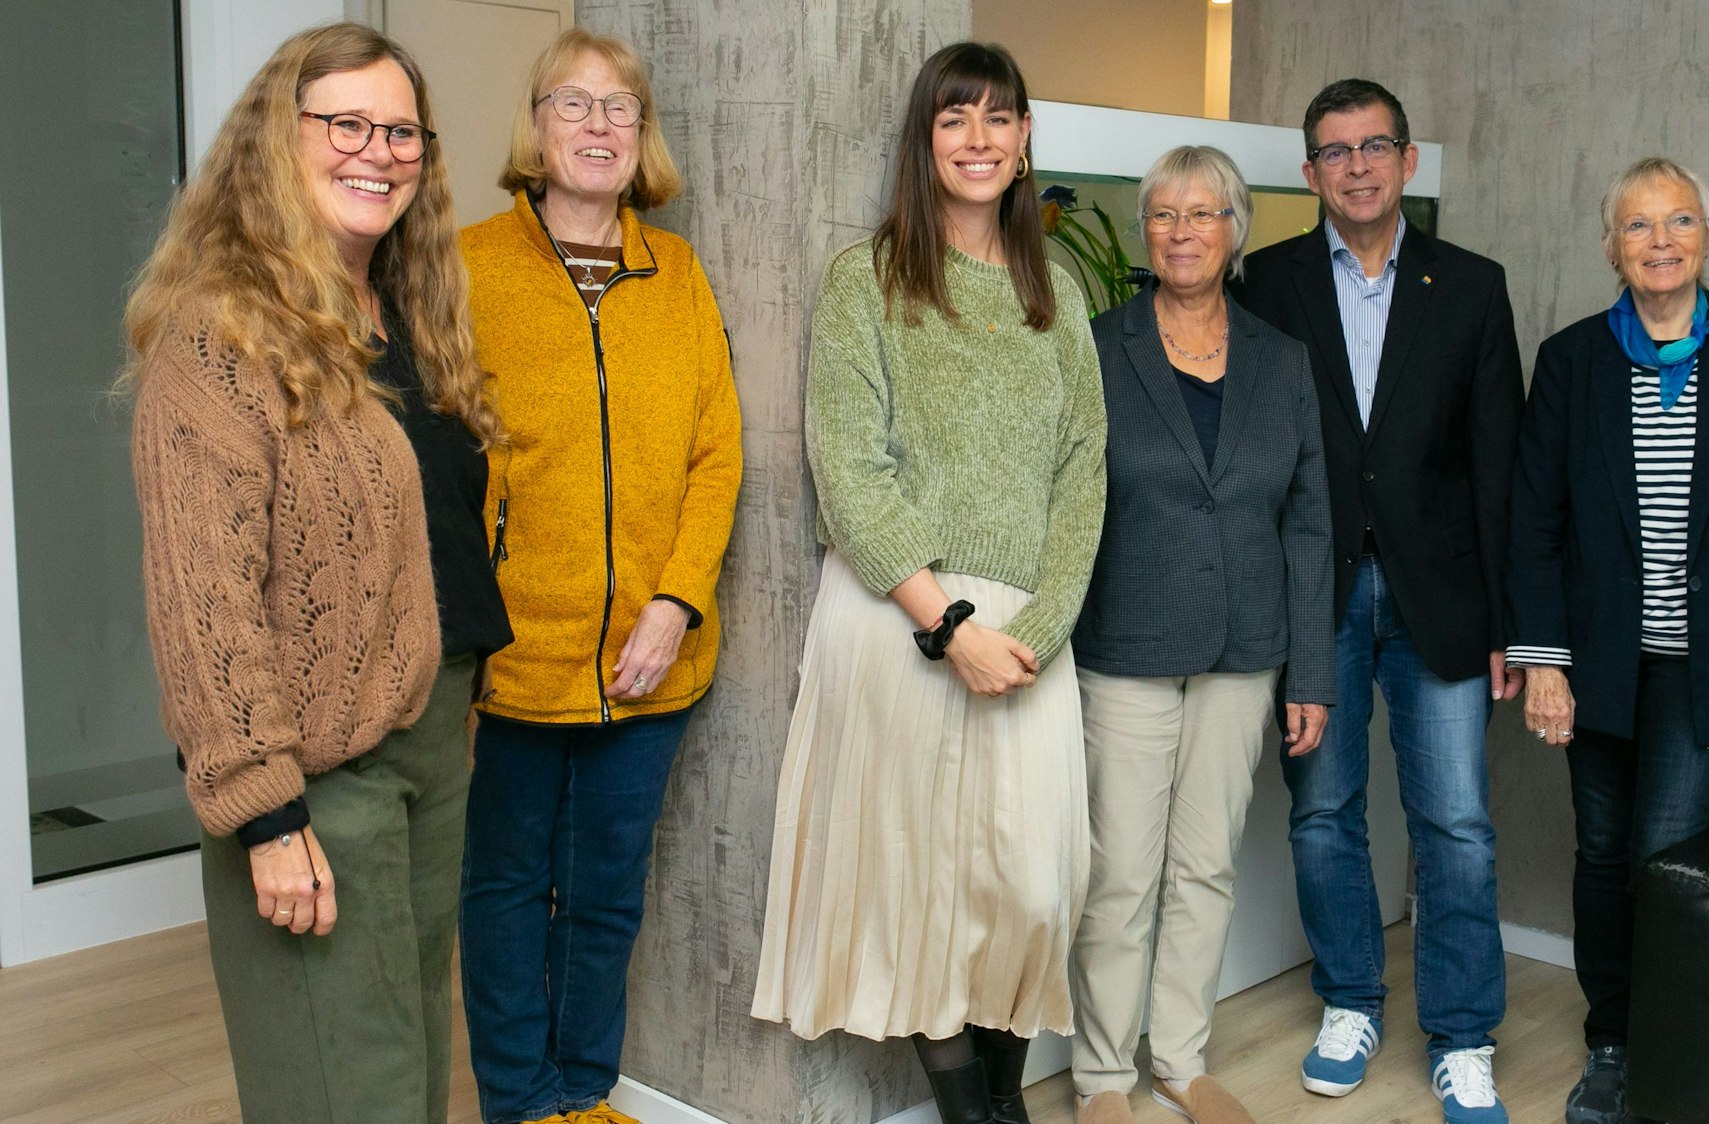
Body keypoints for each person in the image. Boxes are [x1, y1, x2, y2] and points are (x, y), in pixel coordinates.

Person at [125, 23, 508, 1124]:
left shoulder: (406, 318)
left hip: (431, 739)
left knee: (409, 1064)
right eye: (345, 122)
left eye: (401, 132)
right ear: (273, 141)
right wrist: (264, 808)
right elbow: (205, 602)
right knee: (342, 1086)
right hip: (313, 765)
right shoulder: (218, 336)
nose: (377, 151)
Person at [751, 41, 1106, 1124]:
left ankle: (997, 1103)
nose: (980, 139)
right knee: (916, 886)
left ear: (1026, 137)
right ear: (925, 137)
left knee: (1031, 889)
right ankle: (980, 1113)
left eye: (1000, 118)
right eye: (956, 118)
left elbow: (1083, 467)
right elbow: (846, 467)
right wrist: (947, 622)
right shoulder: (868, 277)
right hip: (899, 618)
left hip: (1028, 635)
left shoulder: (1062, 291)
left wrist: (1036, 626)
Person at [454, 27, 743, 1124]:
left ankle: (584, 1090)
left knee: (609, 891)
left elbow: (718, 449)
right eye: (571, 104)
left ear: (642, 133)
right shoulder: (469, 265)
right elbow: (443, 451)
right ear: (534, 128)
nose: (598, 125)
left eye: (619, 105)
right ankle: (521, 1101)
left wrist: (676, 601)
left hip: (652, 653)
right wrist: (472, 620)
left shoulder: (676, 273)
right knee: (509, 888)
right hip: (515, 649)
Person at [1506, 157, 1709, 1124]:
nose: (1659, 241)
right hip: (1599, 661)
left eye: (1678, 221)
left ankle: (1663, 1044)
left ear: (1707, 238)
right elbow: (1535, 524)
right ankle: (1612, 1038)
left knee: (1663, 855)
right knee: (1602, 852)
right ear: (1610, 245)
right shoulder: (1571, 360)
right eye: (1637, 226)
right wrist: (1545, 662)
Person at [1235, 79, 1523, 1124]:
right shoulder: (1262, 282)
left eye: (1375, 146)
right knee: (1322, 811)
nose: (1356, 166)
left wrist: (1507, 620)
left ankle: (1461, 1034)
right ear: (1308, 172)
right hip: (1311, 596)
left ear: (1405, 160)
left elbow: (1502, 468)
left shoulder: (1473, 286)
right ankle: (1350, 999)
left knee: (1455, 821)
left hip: (1441, 599)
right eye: (1335, 150)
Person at [1066, 145, 1333, 1124]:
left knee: (1204, 862)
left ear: (1234, 229)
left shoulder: (1282, 359)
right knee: (1122, 868)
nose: (1181, 231)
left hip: (1246, 648)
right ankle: (1100, 1074)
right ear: (1145, 234)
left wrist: (1311, 668)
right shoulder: (1096, 345)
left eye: (1202, 213)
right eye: (1163, 215)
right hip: (1125, 643)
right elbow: (1067, 499)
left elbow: (1310, 519)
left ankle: (1179, 1056)